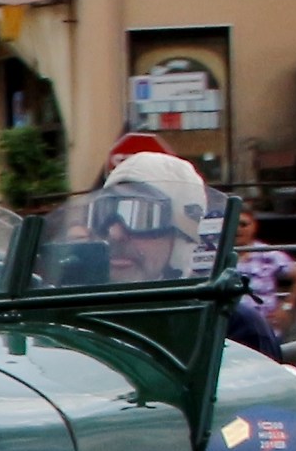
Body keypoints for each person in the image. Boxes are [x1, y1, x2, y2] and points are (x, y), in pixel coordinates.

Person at [94, 152, 279, 359]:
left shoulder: (231, 327)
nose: (114, 233)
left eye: (141, 215)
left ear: (183, 236)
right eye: (105, 212)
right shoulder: (79, 317)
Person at [235, 207, 296, 334]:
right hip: (229, 330)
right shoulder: (215, 256)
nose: (238, 229)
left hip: (263, 328)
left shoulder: (268, 254)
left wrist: (286, 307)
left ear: (254, 226)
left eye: (243, 224)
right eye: (234, 224)